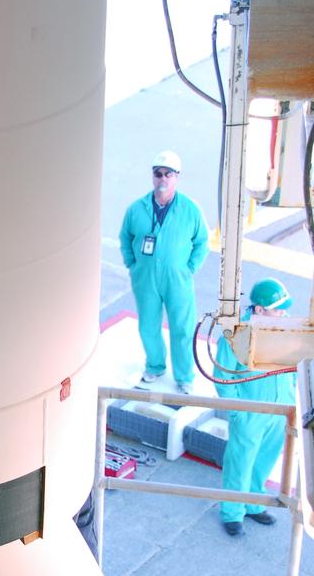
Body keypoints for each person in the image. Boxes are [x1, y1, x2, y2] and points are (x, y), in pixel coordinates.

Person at [119, 151, 209, 395]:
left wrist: (189, 268)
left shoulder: (190, 210)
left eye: (168, 174)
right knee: (148, 325)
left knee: (182, 327)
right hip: (145, 279)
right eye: (158, 173)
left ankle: (184, 376)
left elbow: (202, 242)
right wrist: (133, 264)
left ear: (176, 177)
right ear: (152, 177)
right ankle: (155, 365)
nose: (162, 179)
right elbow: (125, 237)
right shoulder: (137, 209)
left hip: (177, 279)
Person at [214, 278, 296, 536]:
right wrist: (238, 411)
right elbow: (223, 377)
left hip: (280, 410)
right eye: (277, 308)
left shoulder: (283, 326)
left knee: (264, 460)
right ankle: (232, 512)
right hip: (251, 412)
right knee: (241, 461)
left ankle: (253, 503)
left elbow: (294, 363)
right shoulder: (237, 333)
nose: (283, 313)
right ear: (259, 310)